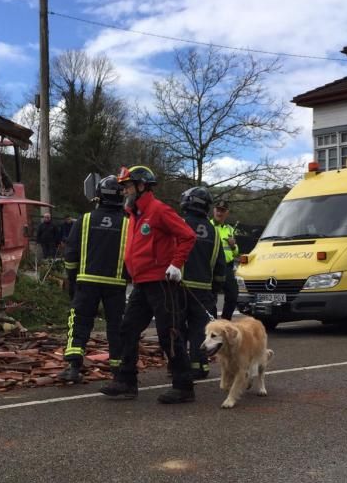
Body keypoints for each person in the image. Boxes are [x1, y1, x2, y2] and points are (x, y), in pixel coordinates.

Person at [100, 165, 197, 404]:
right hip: (142, 283)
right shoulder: (134, 214)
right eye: (123, 188)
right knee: (127, 329)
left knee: (169, 334)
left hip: (161, 283)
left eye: (128, 186)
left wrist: (176, 264)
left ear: (142, 186)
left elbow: (188, 235)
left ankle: (183, 386)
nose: (124, 191)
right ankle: (126, 382)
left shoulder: (159, 210)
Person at [58, 176, 129, 384]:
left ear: (98, 195)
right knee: (116, 326)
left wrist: (72, 281)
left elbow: (70, 255)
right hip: (116, 284)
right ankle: (118, 371)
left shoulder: (85, 220)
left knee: (79, 321)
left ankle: (73, 367)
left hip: (86, 281)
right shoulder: (128, 224)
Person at [179, 186, 227, 380]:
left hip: (179, 287)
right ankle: (200, 366)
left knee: (178, 328)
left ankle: (179, 366)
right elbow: (220, 267)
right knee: (201, 330)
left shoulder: (178, 224)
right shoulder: (214, 233)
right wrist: (214, 291)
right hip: (204, 291)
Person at [212, 199, 239, 319]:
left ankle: (225, 321)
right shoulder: (208, 226)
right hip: (212, 267)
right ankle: (213, 323)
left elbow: (236, 252)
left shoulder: (230, 229)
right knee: (211, 297)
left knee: (233, 295)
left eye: (222, 211)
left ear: (227, 213)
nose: (219, 213)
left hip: (227, 267)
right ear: (214, 210)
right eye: (218, 210)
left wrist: (233, 245)